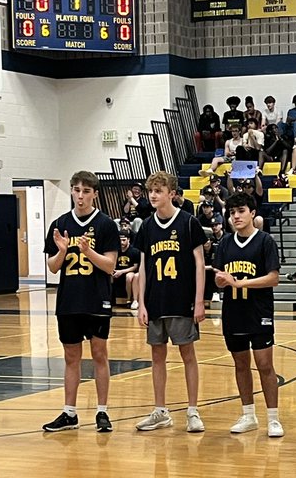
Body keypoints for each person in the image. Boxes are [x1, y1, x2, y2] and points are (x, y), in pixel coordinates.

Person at [42, 171, 119, 433]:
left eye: (86, 191)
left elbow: (110, 266)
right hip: (69, 301)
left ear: (95, 194)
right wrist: (62, 251)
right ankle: (69, 412)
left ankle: (102, 411)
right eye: (76, 190)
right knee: (71, 357)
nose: (80, 195)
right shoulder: (60, 223)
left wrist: (88, 251)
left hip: (96, 299)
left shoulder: (107, 225)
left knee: (99, 354)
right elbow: (52, 268)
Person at [134, 171, 208, 432]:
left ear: (172, 194)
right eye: (150, 191)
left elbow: (200, 264)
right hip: (156, 301)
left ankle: (192, 411)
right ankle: (160, 410)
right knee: (157, 356)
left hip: (182, 300)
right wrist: (141, 303)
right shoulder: (146, 226)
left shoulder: (188, 223)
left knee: (188, 354)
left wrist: (199, 300)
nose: (153, 195)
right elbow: (143, 267)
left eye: (158, 190)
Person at [213, 193, 283, 437]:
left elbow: (274, 278)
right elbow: (219, 280)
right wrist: (222, 281)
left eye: (241, 211)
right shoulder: (225, 244)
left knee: (265, 365)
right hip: (233, 313)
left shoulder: (265, 242)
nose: (236, 216)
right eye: (232, 212)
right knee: (240, 364)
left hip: (259, 312)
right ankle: (248, 414)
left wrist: (242, 283)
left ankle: (273, 418)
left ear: (252, 213)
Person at [113, 229, 140, 307]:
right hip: (117, 271)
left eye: (124, 240)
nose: (121, 242)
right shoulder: (116, 250)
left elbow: (135, 267)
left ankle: (129, 300)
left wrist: (121, 271)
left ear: (128, 240)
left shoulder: (134, 251)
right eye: (120, 240)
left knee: (129, 277)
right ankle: (110, 299)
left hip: (130, 271)